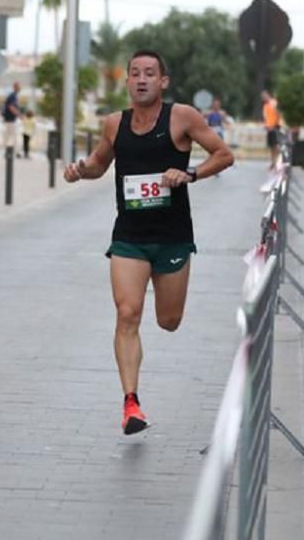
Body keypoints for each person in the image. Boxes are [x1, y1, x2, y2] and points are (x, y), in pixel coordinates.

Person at [62, 50, 234, 435]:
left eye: (150, 73)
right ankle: (131, 404)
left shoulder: (182, 117)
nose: (141, 79)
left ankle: (135, 391)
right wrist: (80, 171)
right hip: (129, 238)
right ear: (127, 80)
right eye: (135, 73)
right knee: (127, 314)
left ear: (163, 81)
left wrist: (189, 173)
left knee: (168, 321)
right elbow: (98, 165)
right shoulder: (114, 124)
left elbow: (224, 155)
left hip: (173, 238)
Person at [261, 90, 282, 168]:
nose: (263, 98)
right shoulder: (265, 105)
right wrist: (266, 125)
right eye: (262, 97)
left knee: (276, 145)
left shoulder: (273, 103)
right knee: (272, 146)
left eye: (264, 96)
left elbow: (278, 114)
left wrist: (275, 125)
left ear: (268, 95)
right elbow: (266, 117)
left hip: (275, 127)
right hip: (269, 127)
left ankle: (277, 161)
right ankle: (273, 162)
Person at [2, 81, 21, 155]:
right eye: (18, 86)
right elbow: (11, 107)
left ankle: (9, 151)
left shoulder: (13, 95)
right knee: (13, 136)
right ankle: (15, 152)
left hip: (10, 120)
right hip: (10, 120)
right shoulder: (12, 96)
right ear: (15, 87)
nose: (20, 88)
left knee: (9, 136)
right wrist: (19, 115)